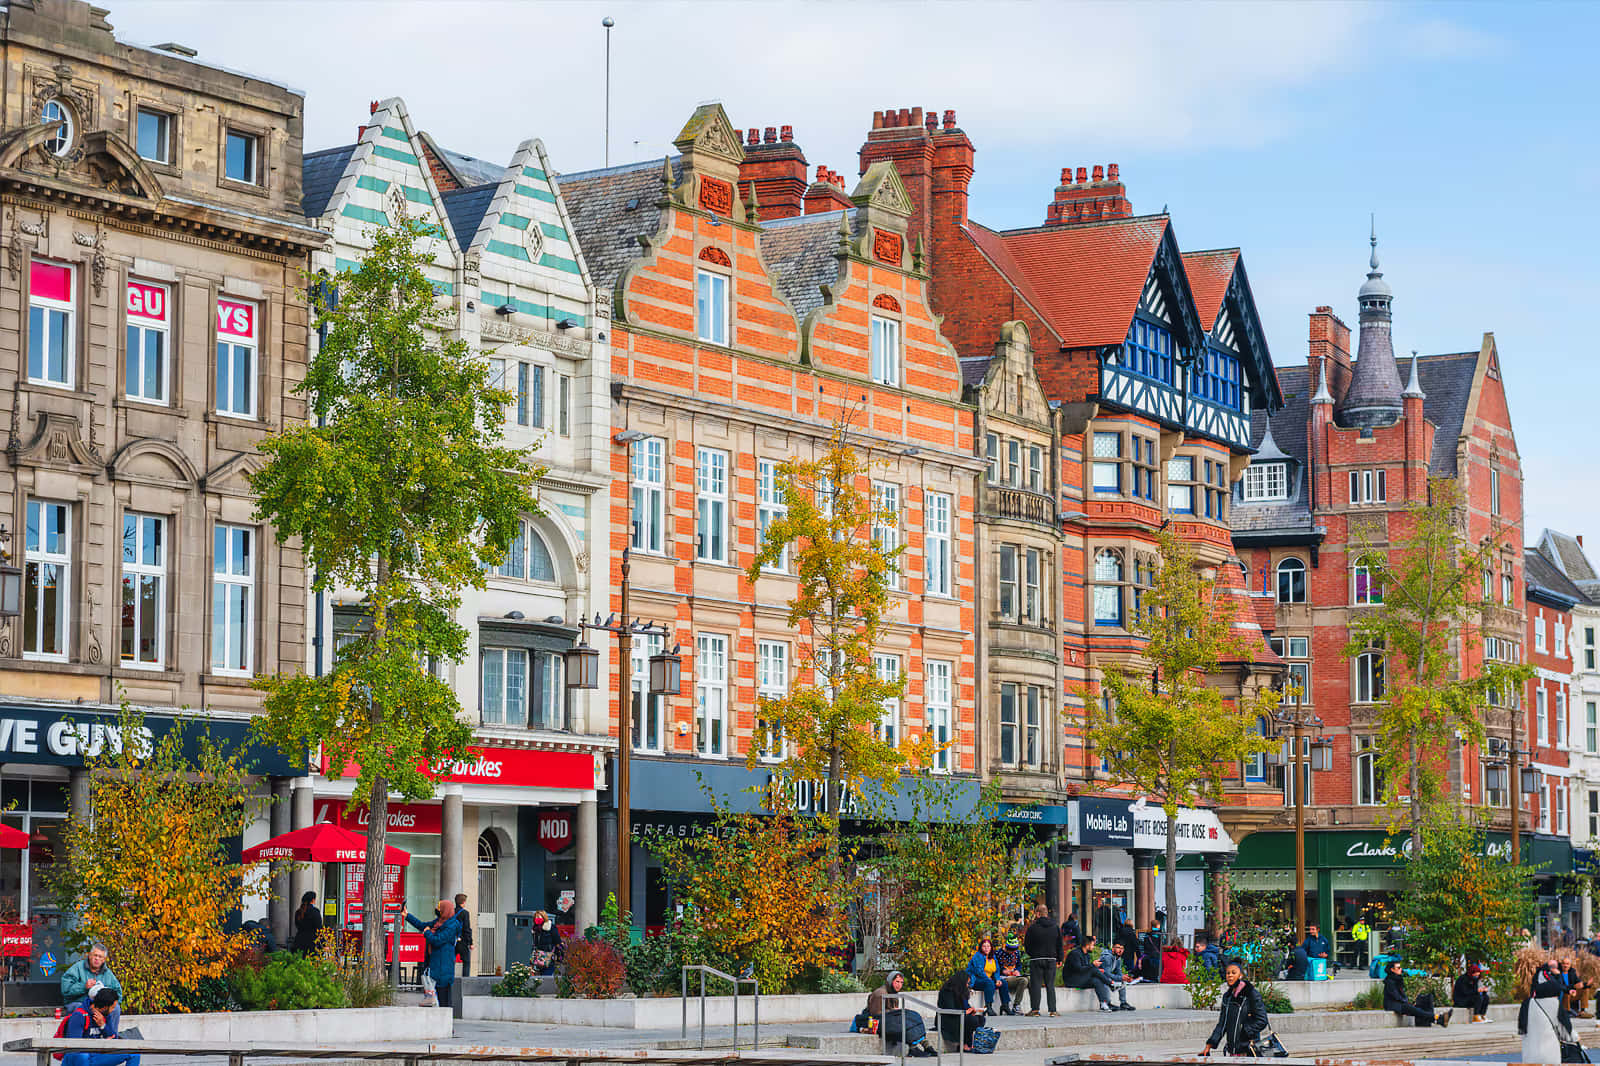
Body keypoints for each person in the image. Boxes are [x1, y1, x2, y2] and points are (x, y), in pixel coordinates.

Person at [405, 899, 463, 1008]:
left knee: (443, 997)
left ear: (446, 910)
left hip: (444, 965)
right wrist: (407, 915)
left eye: (440, 908)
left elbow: (437, 940)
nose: (438, 909)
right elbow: (422, 925)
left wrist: (427, 932)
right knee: (433, 996)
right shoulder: (439, 922)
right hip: (435, 964)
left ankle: (446, 1020)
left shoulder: (452, 925)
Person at [1202, 961, 1268, 1056]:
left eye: (1233, 973)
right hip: (1232, 1051)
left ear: (1240, 975)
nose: (1230, 975)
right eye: (1228, 973)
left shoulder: (1251, 994)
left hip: (1249, 1051)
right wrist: (1209, 1045)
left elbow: (1262, 1020)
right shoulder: (1227, 997)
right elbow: (1222, 1024)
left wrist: (1245, 1032)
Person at [865, 971, 936, 1056]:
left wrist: (895, 1012)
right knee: (905, 1021)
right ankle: (913, 1048)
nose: (899, 985)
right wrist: (893, 1012)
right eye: (897, 982)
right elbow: (876, 1014)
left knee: (914, 1016)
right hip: (878, 1023)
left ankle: (926, 1045)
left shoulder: (893, 993)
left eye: (901, 982)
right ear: (891, 981)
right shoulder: (880, 993)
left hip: (889, 1020)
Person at [61, 988, 138, 1066]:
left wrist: (103, 1026)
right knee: (82, 1057)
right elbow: (74, 1046)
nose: (113, 1010)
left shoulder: (105, 1015)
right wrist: (101, 1044)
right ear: (105, 1007)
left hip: (96, 1055)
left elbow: (114, 1038)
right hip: (78, 1058)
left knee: (134, 1053)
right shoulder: (79, 1015)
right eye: (113, 1007)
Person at [1063, 933, 1122, 1013]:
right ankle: (1111, 984)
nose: (1093, 947)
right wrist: (1093, 966)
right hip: (1071, 980)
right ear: (1087, 945)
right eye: (1092, 945)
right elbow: (1079, 969)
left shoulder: (1087, 955)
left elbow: (1086, 969)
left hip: (1080, 978)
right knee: (1093, 969)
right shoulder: (1075, 954)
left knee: (1096, 980)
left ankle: (1103, 1004)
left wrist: (1096, 969)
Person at [1023, 903, 1063, 1017]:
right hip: (1051, 959)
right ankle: (1053, 1010)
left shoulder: (1032, 927)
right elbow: (1059, 944)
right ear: (1046, 914)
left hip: (1036, 959)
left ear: (1038, 913)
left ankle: (1035, 1010)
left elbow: (1027, 944)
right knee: (1050, 985)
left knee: (1036, 985)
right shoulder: (1055, 926)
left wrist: (1032, 954)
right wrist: (1060, 958)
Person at [1384, 959, 1450, 1027]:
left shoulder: (1397, 979)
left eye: (1400, 967)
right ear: (1392, 969)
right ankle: (1438, 1018)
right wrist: (1405, 1002)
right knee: (1415, 1010)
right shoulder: (1390, 981)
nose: (1401, 969)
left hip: (1399, 1003)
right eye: (1398, 968)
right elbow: (1396, 996)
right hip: (1393, 1005)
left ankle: (1439, 1020)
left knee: (1418, 1009)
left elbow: (1401, 994)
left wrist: (1406, 1001)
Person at [936, 970, 986, 1052]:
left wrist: (971, 1010)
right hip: (948, 1017)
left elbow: (965, 1006)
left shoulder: (961, 991)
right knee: (971, 1020)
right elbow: (949, 1009)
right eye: (967, 983)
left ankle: (970, 1043)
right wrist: (965, 1012)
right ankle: (963, 1044)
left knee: (981, 1019)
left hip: (960, 1015)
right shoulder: (947, 991)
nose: (967, 985)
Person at [966, 935, 1012, 1015]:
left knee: (1003, 983)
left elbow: (997, 970)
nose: (986, 948)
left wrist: (997, 979)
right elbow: (979, 971)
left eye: (988, 946)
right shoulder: (978, 956)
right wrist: (989, 980)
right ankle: (988, 1007)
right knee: (990, 983)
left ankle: (1005, 1005)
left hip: (988, 981)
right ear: (981, 947)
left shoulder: (993, 957)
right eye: (984, 946)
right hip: (976, 980)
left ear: (991, 947)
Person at [1096, 939, 1136, 1011]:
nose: (1120, 950)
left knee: (1123, 981)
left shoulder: (1117, 958)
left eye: (1122, 948)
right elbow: (1106, 974)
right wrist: (1120, 978)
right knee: (1106, 981)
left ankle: (1123, 1003)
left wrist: (1125, 977)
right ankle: (1107, 1003)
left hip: (1106, 977)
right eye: (1118, 948)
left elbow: (1118, 971)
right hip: (1099, 978)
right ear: (1113, 948)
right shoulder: (1107, 957)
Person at [995, 931, 1027, 1007]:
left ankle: (1034, 1008)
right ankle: (1016, 1005)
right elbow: (996, 967)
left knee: (1029, 979)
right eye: (1012, 951)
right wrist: (1003, 971)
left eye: (1015, 950)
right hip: (1004, 977)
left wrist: (1017, 971)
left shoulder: (1016, 953)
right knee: (1023, 980)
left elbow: (1019, 964)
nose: (1014, 952)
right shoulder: (998, 953)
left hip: (1014, 976)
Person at [529, 909, 560, 974]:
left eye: (539, 917)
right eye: (536, 917)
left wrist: (557, 955)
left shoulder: (551, 927)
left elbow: (557, 941)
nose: (537, 919)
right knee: (538, 976)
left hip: (549, 955)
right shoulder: (535, 929)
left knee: (546, 975)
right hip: (538, 957)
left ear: (544, 917)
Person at [453, 893, 473, 978]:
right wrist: (470, 942)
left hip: (452, 940)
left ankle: (450, 980)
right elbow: (467, 928)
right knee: (466, 962)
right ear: (463, 902)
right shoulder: (465, 913)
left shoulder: (451, 912)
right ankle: (465, 981)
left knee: (451, 961)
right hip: (463, 941)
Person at [1140, 916, 1165, 982]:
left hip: (1149, 956)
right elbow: (1161, 945)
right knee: (1157, 970)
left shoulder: (1147, 935)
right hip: (1157, 956)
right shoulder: (1160, 935)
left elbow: (1145, 946)